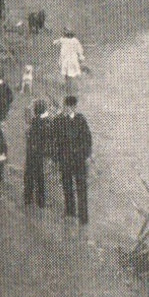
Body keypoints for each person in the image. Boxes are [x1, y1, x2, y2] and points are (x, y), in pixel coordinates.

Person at [49, 95, 92, 225]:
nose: (68, 109)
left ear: (70, 107)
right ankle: (76, 214)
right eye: (68, 106)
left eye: (69, 107)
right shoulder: (74, 120)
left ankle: (77, 215)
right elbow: (87, 140)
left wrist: (85, 156)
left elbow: (87, 140)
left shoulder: (66, 120)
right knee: (73, 187)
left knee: (74, 187)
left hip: (72, 160)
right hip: (72, 160)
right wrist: (56, 158)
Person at [23, 99, 51, 209]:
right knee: (39, 176)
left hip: (32, 152)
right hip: (40, 153)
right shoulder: (46, 122)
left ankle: (28, 198)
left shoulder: (36, 121)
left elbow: (27, 121)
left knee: (29, 175)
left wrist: (28, 107)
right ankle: (41, 201)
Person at [55, 28, 85, 96]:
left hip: (66, 60)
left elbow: (56, 42)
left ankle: (69, 87)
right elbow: (79, 49)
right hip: (72, 59)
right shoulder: (75, 40)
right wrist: (80, 56)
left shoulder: (63, 40)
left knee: (67, 74)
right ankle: (72, 87)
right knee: (72, 74)